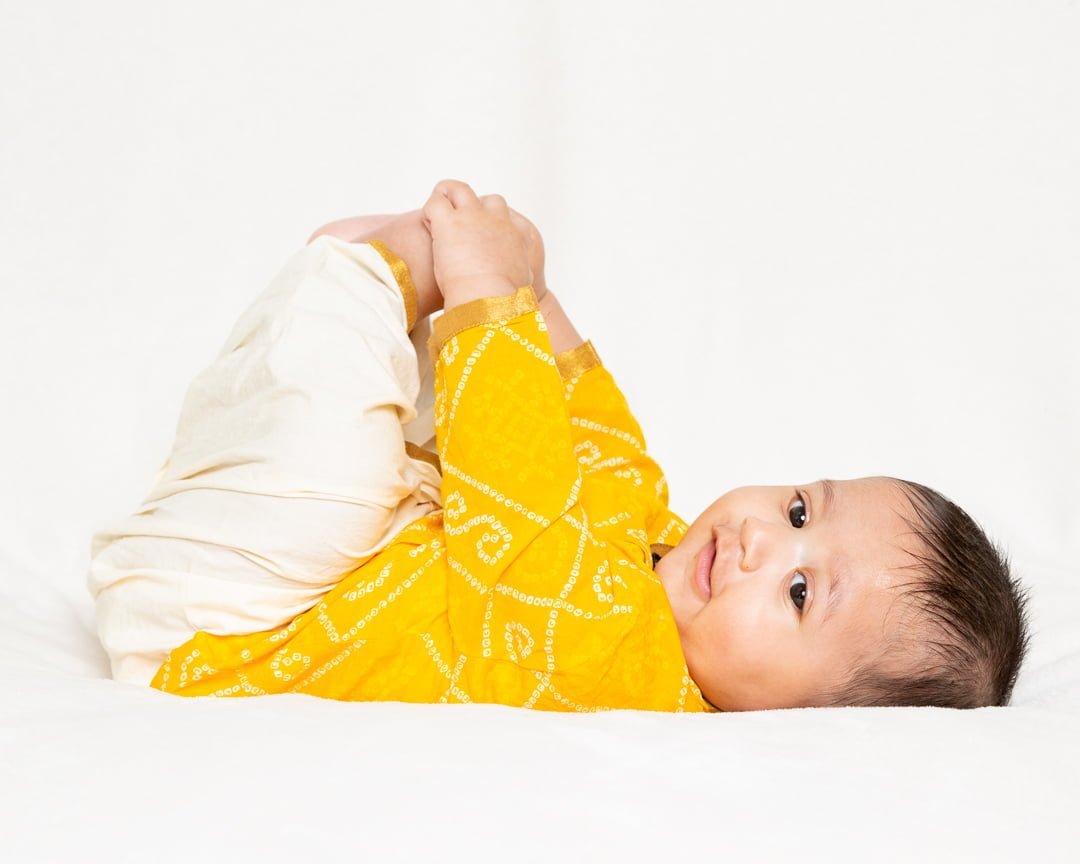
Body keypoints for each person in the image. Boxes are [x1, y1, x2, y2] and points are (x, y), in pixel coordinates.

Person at [87, 179, 1030, 712]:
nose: (759, 542)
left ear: (802, 720)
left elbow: (527, 509)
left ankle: (357, 287)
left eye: (797, 592)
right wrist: (534, 297)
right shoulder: (654, 551)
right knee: (426, 437)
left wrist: (486, 291)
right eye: (797, 511)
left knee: (352, 472)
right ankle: (356, 298)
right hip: (309, 573)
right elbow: (600, 443)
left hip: (228, 629)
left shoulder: (633, 671)